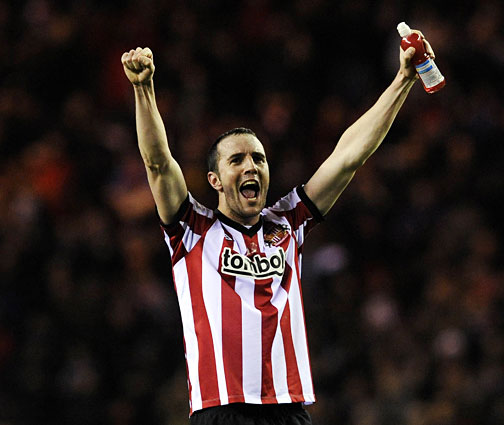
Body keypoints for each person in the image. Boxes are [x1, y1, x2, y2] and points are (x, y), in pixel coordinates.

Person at [121, 28, 436, 425]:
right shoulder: (192, 228)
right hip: (222, 409)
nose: (251, 166)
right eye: (237, 160)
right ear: (214, 180)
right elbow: (158, 163)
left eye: (259, 158)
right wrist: (144, 89)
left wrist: (403, 79)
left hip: (288, 409)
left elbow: (348, 156)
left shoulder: (288, 222)